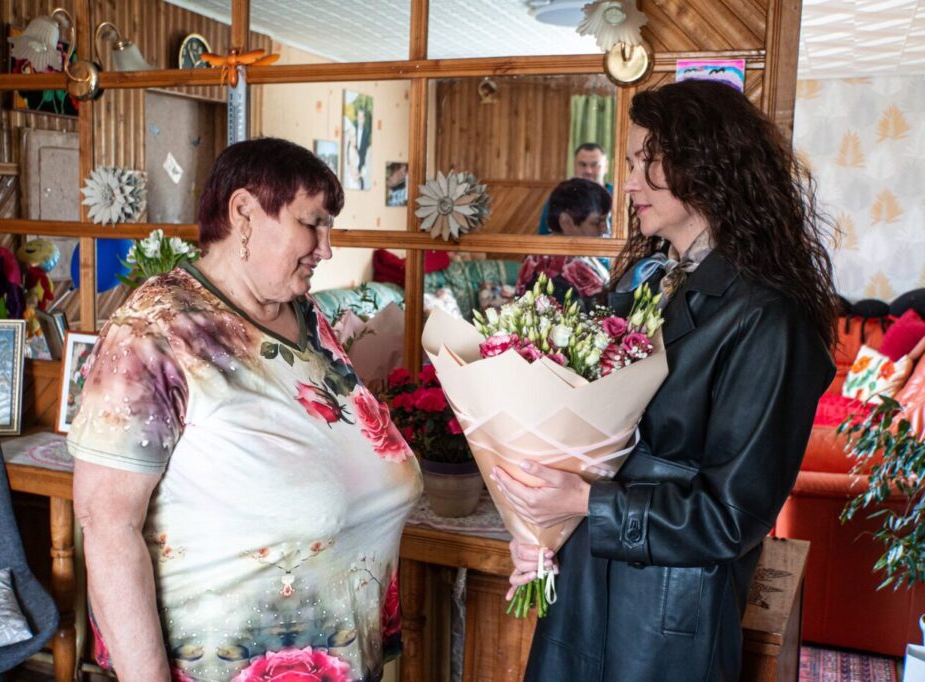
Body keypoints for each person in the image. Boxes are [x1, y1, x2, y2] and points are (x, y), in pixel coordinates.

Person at [492, 79, 837, 680]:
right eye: (629, 164)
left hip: (664, 621)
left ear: (706, 165)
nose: (627, 184)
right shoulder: (646, 283)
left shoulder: (769, 318)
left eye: (643, 162)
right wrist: (543, 528)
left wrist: (582, 501)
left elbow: (733, 516)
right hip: (580, 589)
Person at [69, 137, 422, 682]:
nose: (326, 249)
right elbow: (107, 525)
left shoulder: (305, 318)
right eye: (313, 223)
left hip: (341, 657)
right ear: (244, 214)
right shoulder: (153, 330)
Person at [515, 178, 612, 305]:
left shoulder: (575, 254)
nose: (606, 229)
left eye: (607, 220)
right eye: (597, 222)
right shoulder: (548, 264)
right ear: (566, 222)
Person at [537, 142, 612, 235]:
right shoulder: (561, 197)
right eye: (582, 165)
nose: (588, 171)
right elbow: (545, 236)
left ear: (606, 167)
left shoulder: (619, 196)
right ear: (574, 166)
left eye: (594, 165)